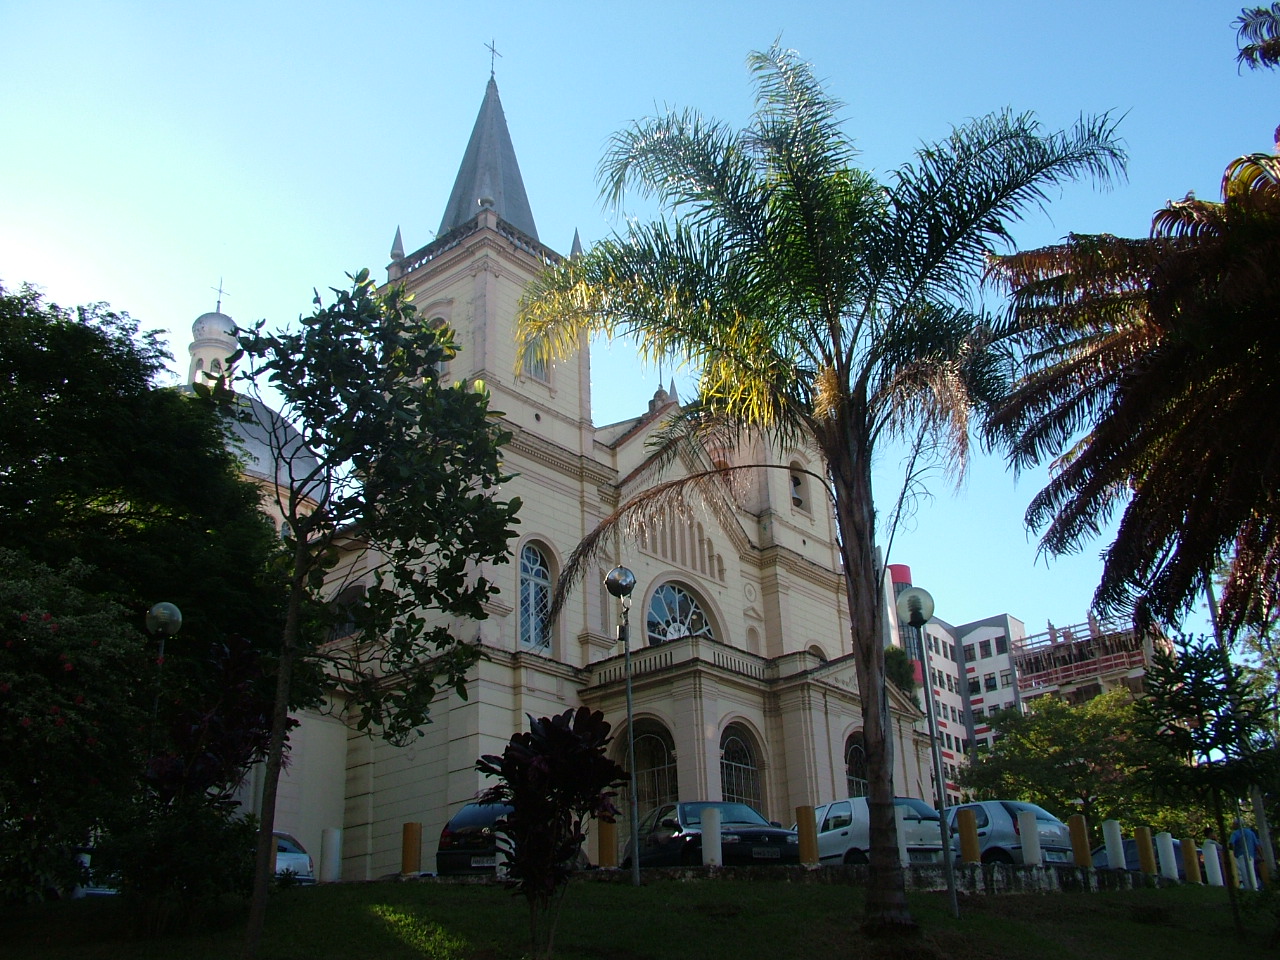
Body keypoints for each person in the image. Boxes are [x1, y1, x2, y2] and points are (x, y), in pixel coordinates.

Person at [1229, 818, 1261, 890]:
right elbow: (1257, 845)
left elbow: (1231, 843)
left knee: (1244, 874)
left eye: (1233, 824)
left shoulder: (1235, 833)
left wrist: (1232, 854)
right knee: (1251, 871)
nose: (1232, 825)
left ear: (1237, 825)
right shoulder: (1250, 833)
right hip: (1251, 856)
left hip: (1240, 856)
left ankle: (1250, 889)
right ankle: (1255, 887)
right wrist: (1261, 856)